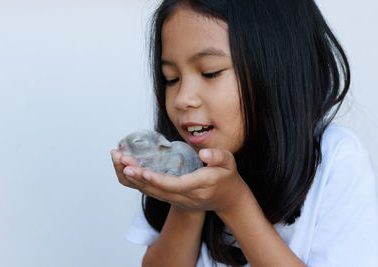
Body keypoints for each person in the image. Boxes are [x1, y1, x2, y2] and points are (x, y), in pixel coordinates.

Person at [110, 0, 378, 266]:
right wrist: (188, 201)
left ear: (278, 68)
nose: (183, 99)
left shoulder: (337, 159)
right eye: (171, 78)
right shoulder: (177, 159)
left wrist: (233, 203)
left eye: (210, 72)